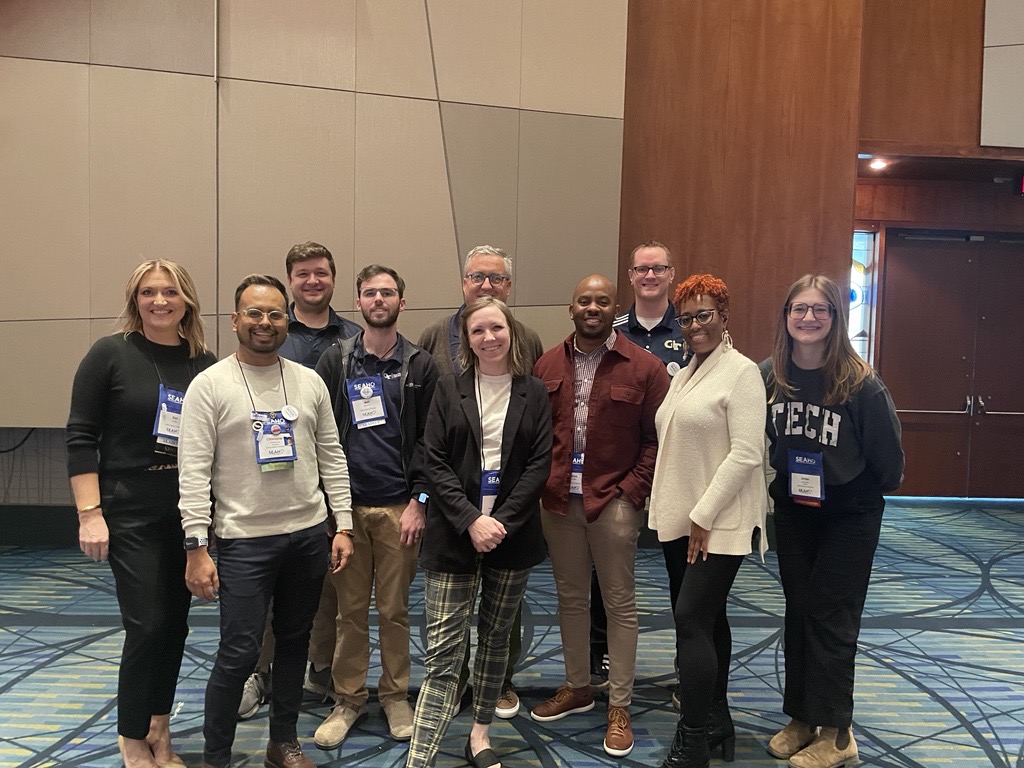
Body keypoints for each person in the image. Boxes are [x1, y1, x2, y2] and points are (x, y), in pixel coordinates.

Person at [178, 274, 354, 768]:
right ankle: (216, 756)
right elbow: (192, 472)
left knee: (295, 643)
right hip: (244, 543)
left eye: (275, 314)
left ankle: (283, 742)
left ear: (287, 320)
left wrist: (343, 524)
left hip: (306, 537)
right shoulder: (209, 386)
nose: (265, 322)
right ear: (235, 320)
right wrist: (196, 547)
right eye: (254, 313)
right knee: (239, 653)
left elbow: (332, 457)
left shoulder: (308, 380)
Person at [67, 259, 217, 768]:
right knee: (148, 624)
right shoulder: (109, 354)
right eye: (149, 292)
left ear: (186, 300)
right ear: (135, 300)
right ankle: (131, 736)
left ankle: (159, 726)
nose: (160, 301)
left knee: (176, 625)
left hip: (189, 512)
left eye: (170, 292)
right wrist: (90, 513)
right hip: (128, 510)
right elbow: (81, 437)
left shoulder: (204, 362)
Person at [760, 274, 903, 768]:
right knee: (799, 610)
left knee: (831, 617)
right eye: (799, 309)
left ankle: (838, 734)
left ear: (836, 318)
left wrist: (853, 489)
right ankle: (802, 718)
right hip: (796, 513)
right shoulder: (771, 374)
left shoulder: (860, 382)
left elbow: (891, 464)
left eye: (820, 309)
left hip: (850, 513)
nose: (808, 318)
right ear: (786, 317)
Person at [407, 296, 552, 768]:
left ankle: (480, 734)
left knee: (494, 641)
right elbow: (434, 460)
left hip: (512, 536)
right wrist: (471, 520)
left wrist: (499, 523)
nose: (489, 337)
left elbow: (538, 465)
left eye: (496, 328)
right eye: (477, 331)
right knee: (444, 655)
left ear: (511, 331)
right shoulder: (449, 389)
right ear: (466, 340)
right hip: (452, 536)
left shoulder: (534, 391)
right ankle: (421, 757)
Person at [531, 275, 670, 759]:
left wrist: (631, 493)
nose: (593, 307)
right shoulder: (546, 363)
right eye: (584, 300)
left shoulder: (645, 367)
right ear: (571, 308)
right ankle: (577, 686)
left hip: (613, 502)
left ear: (616, 308)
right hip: (558, 502)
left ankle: (620, 704)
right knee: (570, 598)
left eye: (602, 301)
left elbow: (658, 439)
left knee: (619, 604)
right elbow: (535, 434)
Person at [312, 265, 440, 747]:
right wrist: (331, 511)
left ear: (401, 303)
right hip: (346, 512)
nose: (379, 299)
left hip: (398, 511)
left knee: (393, 610)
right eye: (370, 293)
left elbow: (433, 442)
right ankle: (347, 699)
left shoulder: (420, 364)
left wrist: (420, 502)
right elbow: (318, 436)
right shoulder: (336, 360)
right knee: (347, 612)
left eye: (388, 292)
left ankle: (394, 695)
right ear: (358, 301)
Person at [648, 274, 769, 768]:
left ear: (725, 317)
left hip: (720, 520)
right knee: (710, 617)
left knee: (689, 618)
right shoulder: (686, 372)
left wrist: (702, 515)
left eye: (705, 315)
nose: (696, 324)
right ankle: (718, 720)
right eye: (688, 316)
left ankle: (693, 738)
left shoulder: (741, 373)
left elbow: (746, 454)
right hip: (684, 520)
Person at [239, 241, 362, 721]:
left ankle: (318, 668)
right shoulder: (271, 331)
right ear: (290, 280)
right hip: (267, 480)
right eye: (303, 274)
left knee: (325, 585)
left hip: (327, 479)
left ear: (333, 279)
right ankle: (259, 672)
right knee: (266, 588)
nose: (313, 281)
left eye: (321, 273)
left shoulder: (353, 336)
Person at [597, 240, 688, 691]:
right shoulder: (610, 329)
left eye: (658, 268)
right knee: (605, 571)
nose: (649, 276)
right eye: (641, 269)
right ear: (630, 276)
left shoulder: (692, 327)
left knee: (682, 575)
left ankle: (687, 669)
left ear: (672, 274)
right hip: (619, 471)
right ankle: (600, 664)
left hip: (680, 471)